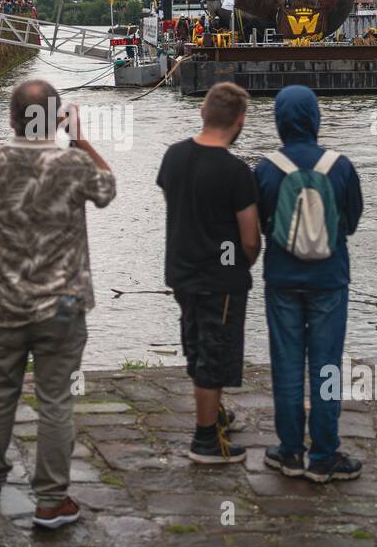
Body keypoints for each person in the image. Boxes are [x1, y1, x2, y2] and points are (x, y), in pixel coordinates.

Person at [0, 80, 116, 529]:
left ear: (12, 118)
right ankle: (51, 500)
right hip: (62, 304)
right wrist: (80, 137)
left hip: (5, 301)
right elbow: (107, 189)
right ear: (54, 119)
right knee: (55, 400)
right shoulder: (72, 164)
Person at [254, 85, 364, 482]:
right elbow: (349, 224)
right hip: (329, 279)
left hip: (281, 279)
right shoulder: (341, 166)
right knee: (326, 366)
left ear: (280, 120)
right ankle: (324, 453)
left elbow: (262, 224)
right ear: (316, 118)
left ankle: (289, 452)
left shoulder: (266, 168)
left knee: (286, 365)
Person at [156, 81, 260, 464]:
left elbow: (174, 203)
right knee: (215, 354)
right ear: (240, 120)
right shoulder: (236, 172)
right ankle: (205, 441)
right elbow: (250, 238)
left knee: (197, 341)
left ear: (203, 112)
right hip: (221, 277)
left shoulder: (173, 157)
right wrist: (241, 264)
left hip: (181, 271)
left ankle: (213, 413)